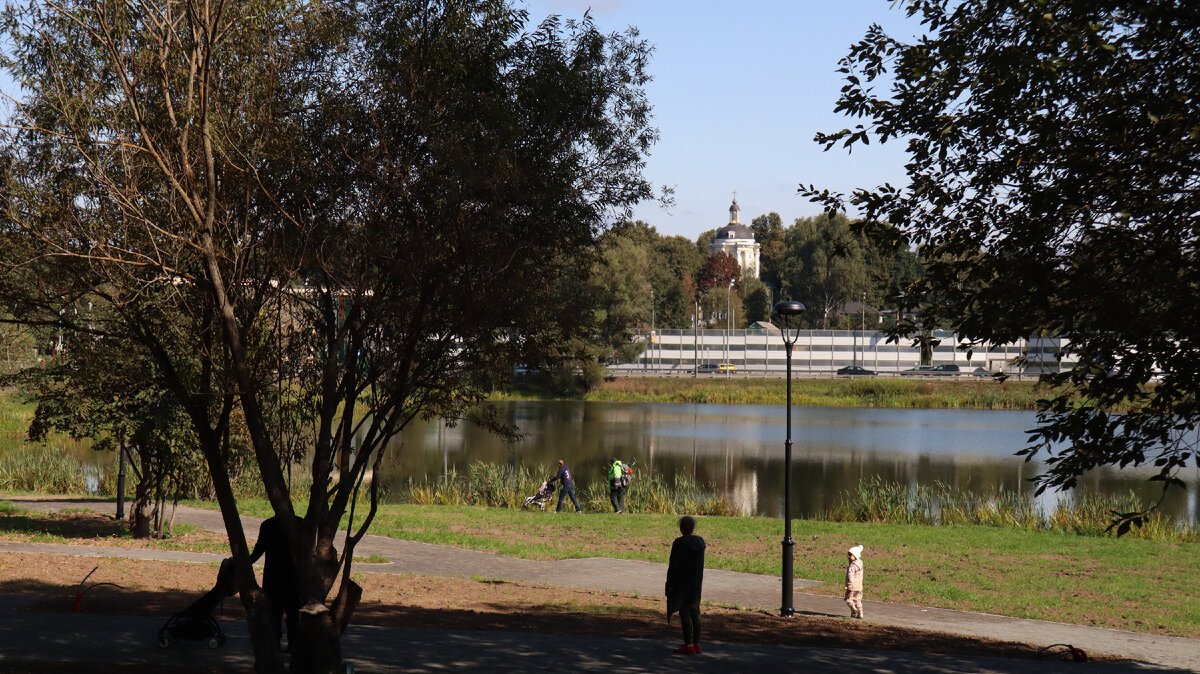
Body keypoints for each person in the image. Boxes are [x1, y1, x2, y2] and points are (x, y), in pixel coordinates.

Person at [249, 514, 304, 647]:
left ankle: (275, 645)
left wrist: (244, 562)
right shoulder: (300, 524)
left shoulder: (268, 525)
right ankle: (294, 646)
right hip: (294, 579)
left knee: (274, 615)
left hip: (273, 578)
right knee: (293, 617)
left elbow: (258, 550)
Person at [665, 515, 706, 655]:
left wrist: (669, 584)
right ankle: (697, 644)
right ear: (693, 528)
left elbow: (673, 566)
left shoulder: (679, 543)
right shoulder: (700, 543)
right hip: (696, 583)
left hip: (682, 583)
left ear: (682, 528)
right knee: (696, 611)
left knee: (685, 613)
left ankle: (688, 644)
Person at [845, 544, 864, 619]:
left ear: (855, 556)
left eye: (850, 555)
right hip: (859, 586)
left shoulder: (852, 566)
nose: (848, 557)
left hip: (851, 586)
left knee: (849, 599)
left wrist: (849, 584)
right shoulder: (860, 564)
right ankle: (860, 613)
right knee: (858, 600)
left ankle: (854, 609)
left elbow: (850, 575)